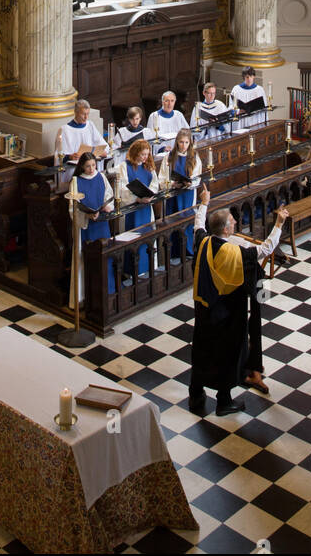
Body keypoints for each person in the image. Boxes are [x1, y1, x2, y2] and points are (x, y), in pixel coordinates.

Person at [188, 184, 288, 414]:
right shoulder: (233, 252)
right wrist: (279, 224)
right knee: (228, 353)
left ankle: (195, 394)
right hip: (226, 313)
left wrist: (204, 202)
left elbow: (197, 225)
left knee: (202, 349)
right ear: (225, 230)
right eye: (232, 221)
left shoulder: (203, 241)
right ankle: (224, 401)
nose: (235, 222)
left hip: (203, 308)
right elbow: (265, 250)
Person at [115, 139, 159, 283]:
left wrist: (149, 194)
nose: (145, 158)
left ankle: (146, 270)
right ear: (135, 153)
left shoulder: (149, 166)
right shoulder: (124, 167)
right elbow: (121, 189)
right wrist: (137, 199)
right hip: (131, 211)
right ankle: (129, 273)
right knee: (131, 240)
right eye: (142, 154)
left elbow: (154, 184)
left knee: (146, 240)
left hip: (146, 209)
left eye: (147, 154)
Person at [74, 150, 116, 297]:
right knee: (88, 260)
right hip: (87, 227)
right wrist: (86, 214)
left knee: (106, 256)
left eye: (93, 165)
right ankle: (89, 296)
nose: (92, 169)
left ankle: (109, 291)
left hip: (102, 224)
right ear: (81, 167)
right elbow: (72, 208)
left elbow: (108, 195)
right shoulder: (76, 181)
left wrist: (106, 206)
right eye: (88, 166)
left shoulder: (101, 177)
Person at [166, 127, 202, 261]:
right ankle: (174, 256)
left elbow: (197, 177)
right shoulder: (169, 157)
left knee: (187, 225)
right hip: (174, 196)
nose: (184, 146)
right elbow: (163, 178)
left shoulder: (194, 157)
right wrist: (171, 184)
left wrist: (189, 183)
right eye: (181, 142)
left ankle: (188, 254)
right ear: (177, 142)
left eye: (186, 143)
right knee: (174, 226)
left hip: (187, 195)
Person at [60, 99, 109, 165]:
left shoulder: (90, 125)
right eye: (83, 114)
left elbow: (103, 144)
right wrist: (70, 156)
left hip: (90, 166)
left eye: (87, 114)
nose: (86, 117)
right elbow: (59, 155)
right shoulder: (65, 130)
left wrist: (103, 151)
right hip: (74, 167)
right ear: (76, 112)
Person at [230, 67, 267, 132]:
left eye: (251, 76)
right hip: (241, 120)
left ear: (254, 76)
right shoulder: (236, 89)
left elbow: (264, 107)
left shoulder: (259, 90)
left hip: (255, 119)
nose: (249, 79)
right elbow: (231, 107)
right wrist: (238, 111)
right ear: (244, 77)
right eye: (247, 77)